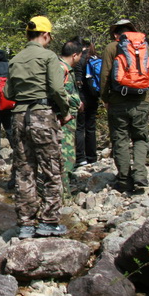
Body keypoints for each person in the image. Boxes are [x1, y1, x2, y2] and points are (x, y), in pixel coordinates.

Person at [5, 16, 71, 239]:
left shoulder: (15, 59)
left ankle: (25, 224)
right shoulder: (48, 56)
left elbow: (8, 94)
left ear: (27, 35)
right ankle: (49, 222)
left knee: (24, 170)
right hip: (42, 115)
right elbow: (56, 89)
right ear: (46, 35)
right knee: (51, 168)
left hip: (19, 117)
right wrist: (66, 111)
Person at [100, 19, 149, 195]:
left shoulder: (111, 48)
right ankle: (139, 175)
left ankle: (124, 180)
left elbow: (105, 75)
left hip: (117, 102)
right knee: (140, 138)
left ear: (116, 34)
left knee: (120, 139)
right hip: (140, 100)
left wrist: (105, 98)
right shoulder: (143, 45)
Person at [58, 40, 84, 194]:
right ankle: (64, 191)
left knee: (67, 152)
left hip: (68, 117)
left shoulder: (65, 68)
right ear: (75, 55)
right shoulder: (61, 68)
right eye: (80, 56)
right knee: (66, 153)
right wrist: (76, 101)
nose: (80, 59)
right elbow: (58, 91)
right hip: (64, 118)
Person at [75, 39, 100, 166]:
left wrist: (77, 98)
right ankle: (92, 156)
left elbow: (78, 80)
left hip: (82, 98)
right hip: (94, 97)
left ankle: (80, 158)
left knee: (79, 128)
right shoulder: (97, 57)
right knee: (91, 128)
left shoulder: (80, 59)